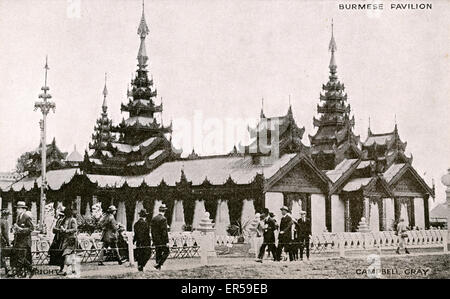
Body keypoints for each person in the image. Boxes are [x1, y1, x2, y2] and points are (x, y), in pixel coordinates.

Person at [11, 201, 34, 277]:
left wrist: (21, 229)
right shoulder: (18, 217)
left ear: (23, 209)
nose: (17, 210)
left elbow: (31, 228)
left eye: (18, 208)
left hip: (25, 241)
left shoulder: (26, 217)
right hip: (19, 240)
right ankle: (28, 270)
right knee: (20, 257)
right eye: (17, 208)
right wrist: (15, 229)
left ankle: (22, 272)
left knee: (21, 258)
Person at [60, 208, 78, 276]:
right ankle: (73, 269)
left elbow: (75, 229)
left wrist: (66, 230)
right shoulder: (66, 220)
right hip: (67, 239)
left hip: (71, 239)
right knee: (72, 254)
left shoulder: (72, 220)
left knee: (66, 254)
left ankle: (65, 270)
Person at [151, 204, 170, 270]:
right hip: (162, 240)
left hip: (156, 239)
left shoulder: (154, 218)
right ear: (164, 211)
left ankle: (158, 266)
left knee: (158, 252)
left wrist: (153, 239)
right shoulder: (163, 219)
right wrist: (167, 241)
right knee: (167, 252)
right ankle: (159, 264)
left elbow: (152, 231)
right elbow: (164, 232)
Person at [49, 207, 66, 274]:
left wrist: (57, 229)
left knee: (61, 253)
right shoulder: (59, 220)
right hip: (57, 238)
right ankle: (60, 267)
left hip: (62, 238)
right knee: (55, 252)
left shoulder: (65, 220)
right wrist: (55, 229)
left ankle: (62, 268)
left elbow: (63, 230)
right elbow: (54, 229)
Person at [1, 209, 11, 275]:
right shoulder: (5, 222)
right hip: (2, 241)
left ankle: (6, 269)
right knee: (2, 255)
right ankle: (7, 269)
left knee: (1, 256)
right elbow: (6, 234)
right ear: (6, 216)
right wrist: (8, 243)